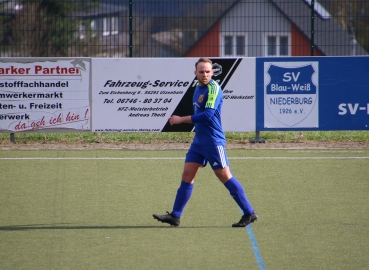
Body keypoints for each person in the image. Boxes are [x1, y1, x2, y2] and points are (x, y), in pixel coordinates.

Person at [153, 58, 257, 227]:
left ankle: (249, 212)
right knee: (187, 175)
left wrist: (181, 120)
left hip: (213, 141)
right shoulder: (198, 88)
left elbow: (208, 115)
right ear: (195, 73)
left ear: (212, 72)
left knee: (224, 176)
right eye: (201, 72)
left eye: (208, 71)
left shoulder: (213, 88)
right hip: (199, 141)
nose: (205, 74)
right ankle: (175, 216)